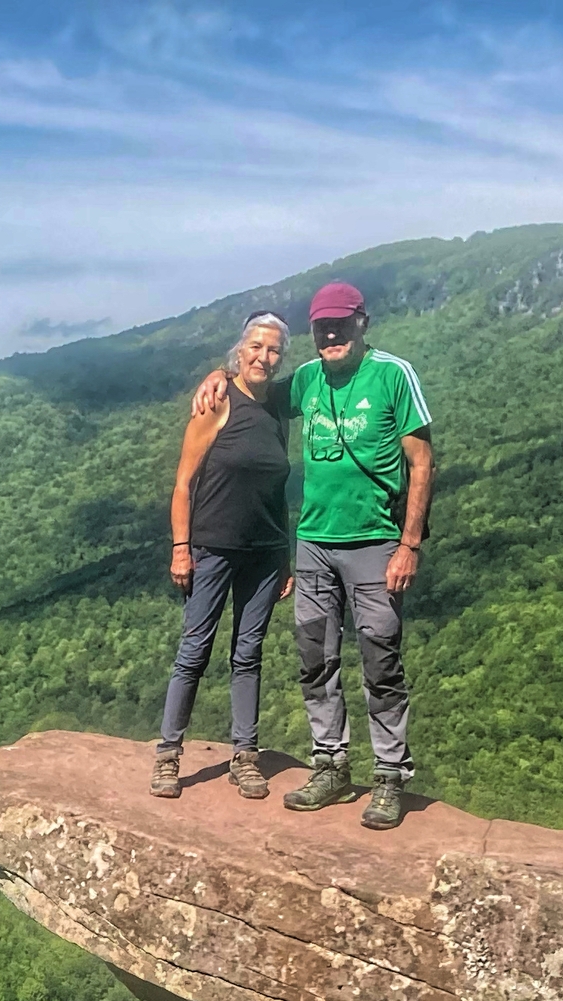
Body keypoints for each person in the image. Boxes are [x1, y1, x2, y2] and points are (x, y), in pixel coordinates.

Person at [192, 280, 433, 828]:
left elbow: (422, 462)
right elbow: (249, 389)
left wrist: (409, 545)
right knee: (315, 658)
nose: (330, 334)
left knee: (381, 660)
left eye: (340, 323)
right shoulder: (305, 379)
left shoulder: (393, 375)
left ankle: (390, 777)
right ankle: (331, 764)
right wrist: (217, 375)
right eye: (321, 326)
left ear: (361, 323)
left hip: (375, 542)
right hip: (314, 544)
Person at [154, 311, 294, 800]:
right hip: (211, 547)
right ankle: (168, 756)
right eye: (256, 346)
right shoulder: (217, 401)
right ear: (240, 351)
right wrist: (180, 548)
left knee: (248, 654)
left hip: (265, 553)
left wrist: (286, 556)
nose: (264, 356)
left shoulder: (278, 406)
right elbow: (183, 484)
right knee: (194, 651)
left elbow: (278, 489)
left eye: (273, 349)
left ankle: (245, 756)